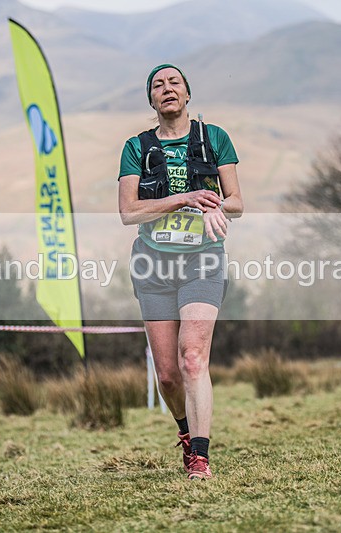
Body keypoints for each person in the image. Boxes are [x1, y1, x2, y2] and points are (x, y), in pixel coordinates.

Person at [117, 64, 243, 479]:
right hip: (152, 264)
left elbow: (238, 202)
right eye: (158, 85)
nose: (167, 89)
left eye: (174, 83)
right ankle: (185, 431)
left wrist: (217, 207)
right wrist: (182, 198)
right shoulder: (137, 146)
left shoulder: (214, 139)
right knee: (169, 376)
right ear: (151, 100)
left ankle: (200, 458)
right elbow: (129, 212)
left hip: (202, 260)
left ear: (188, 94)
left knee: (192, 359)